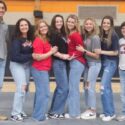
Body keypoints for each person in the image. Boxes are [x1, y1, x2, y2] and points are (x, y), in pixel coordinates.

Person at [31, 19, 58, 121]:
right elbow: (38, 57)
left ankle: (37, 113)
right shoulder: (38, 40)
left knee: (40, 92)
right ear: (38, 29)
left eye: (44, 26)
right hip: (39, 69)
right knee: (45, 93)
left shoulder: (46, 39)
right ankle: (39, 116)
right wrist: (51, 52)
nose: (43, 28)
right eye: (41, 27)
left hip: (43, 69)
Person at [76, 17, 101, 119]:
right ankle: (89, 107)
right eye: (86, 24)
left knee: (90, 87)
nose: (88, 25)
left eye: (90, 24)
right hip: (88, 64)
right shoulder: (86, 36)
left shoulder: (95, 37)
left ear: (94, 25)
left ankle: (93, 111)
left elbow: (97, 55)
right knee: (86, 87)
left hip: (94, 64)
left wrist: (83, 50)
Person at [9, 18, 34, 121]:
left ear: (28, 26)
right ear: (18, 28)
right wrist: (31, 55)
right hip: (17, 65)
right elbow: (15, 57)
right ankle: (15, 113)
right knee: (21, 87)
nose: (24, 27)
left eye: (26, 25)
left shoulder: (29, 39)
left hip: (26, 65)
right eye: (22, 25)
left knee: (25, 88)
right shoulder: (16, 40)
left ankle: (20, 110)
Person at [96, 16, 119, 121]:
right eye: (104, 22)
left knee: (103, 87)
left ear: (111, 25)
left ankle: (109, 113)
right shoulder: (101, 34)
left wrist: (101, 52)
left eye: (108, 23)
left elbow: (115, 52)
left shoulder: (113, 35)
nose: (105, 24)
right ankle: (109, 112)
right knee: (107, 88)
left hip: (111, 63)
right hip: (104, 63)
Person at [48, 14, 69, 119]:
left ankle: (53, 111)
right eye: (57, 21)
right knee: (64, 88)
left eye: (61, 21)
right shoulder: (53, 34)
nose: (59, 23)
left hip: (63, 63)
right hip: (58, 63)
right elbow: (52, 50)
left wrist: (68, 56)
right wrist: (63, 56)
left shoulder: (62, 34)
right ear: (53, 23)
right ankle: (56, 112)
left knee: (60, 88)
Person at [65, 14, 86, 119]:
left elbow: (81, 49)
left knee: (73, 88)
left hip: (77, 62)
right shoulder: (70, 34)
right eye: (68, 21)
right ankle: (74, 111)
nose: (70, 23)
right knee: (73, 87)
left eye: (72, 22)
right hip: (74, 63)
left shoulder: (75, 35)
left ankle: (74, 113)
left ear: (76, 23)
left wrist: (73, 56)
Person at [0, 0, 9, 120]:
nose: (1, 10)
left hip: (2, 58)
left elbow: (6, 41)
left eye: (2, 8)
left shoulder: (5, 25)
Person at [116, 22, 125, 122]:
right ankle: (124, 113)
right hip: (122, 69)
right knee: (123, 93)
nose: (124, 30)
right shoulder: (120, 41)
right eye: (123, 28)